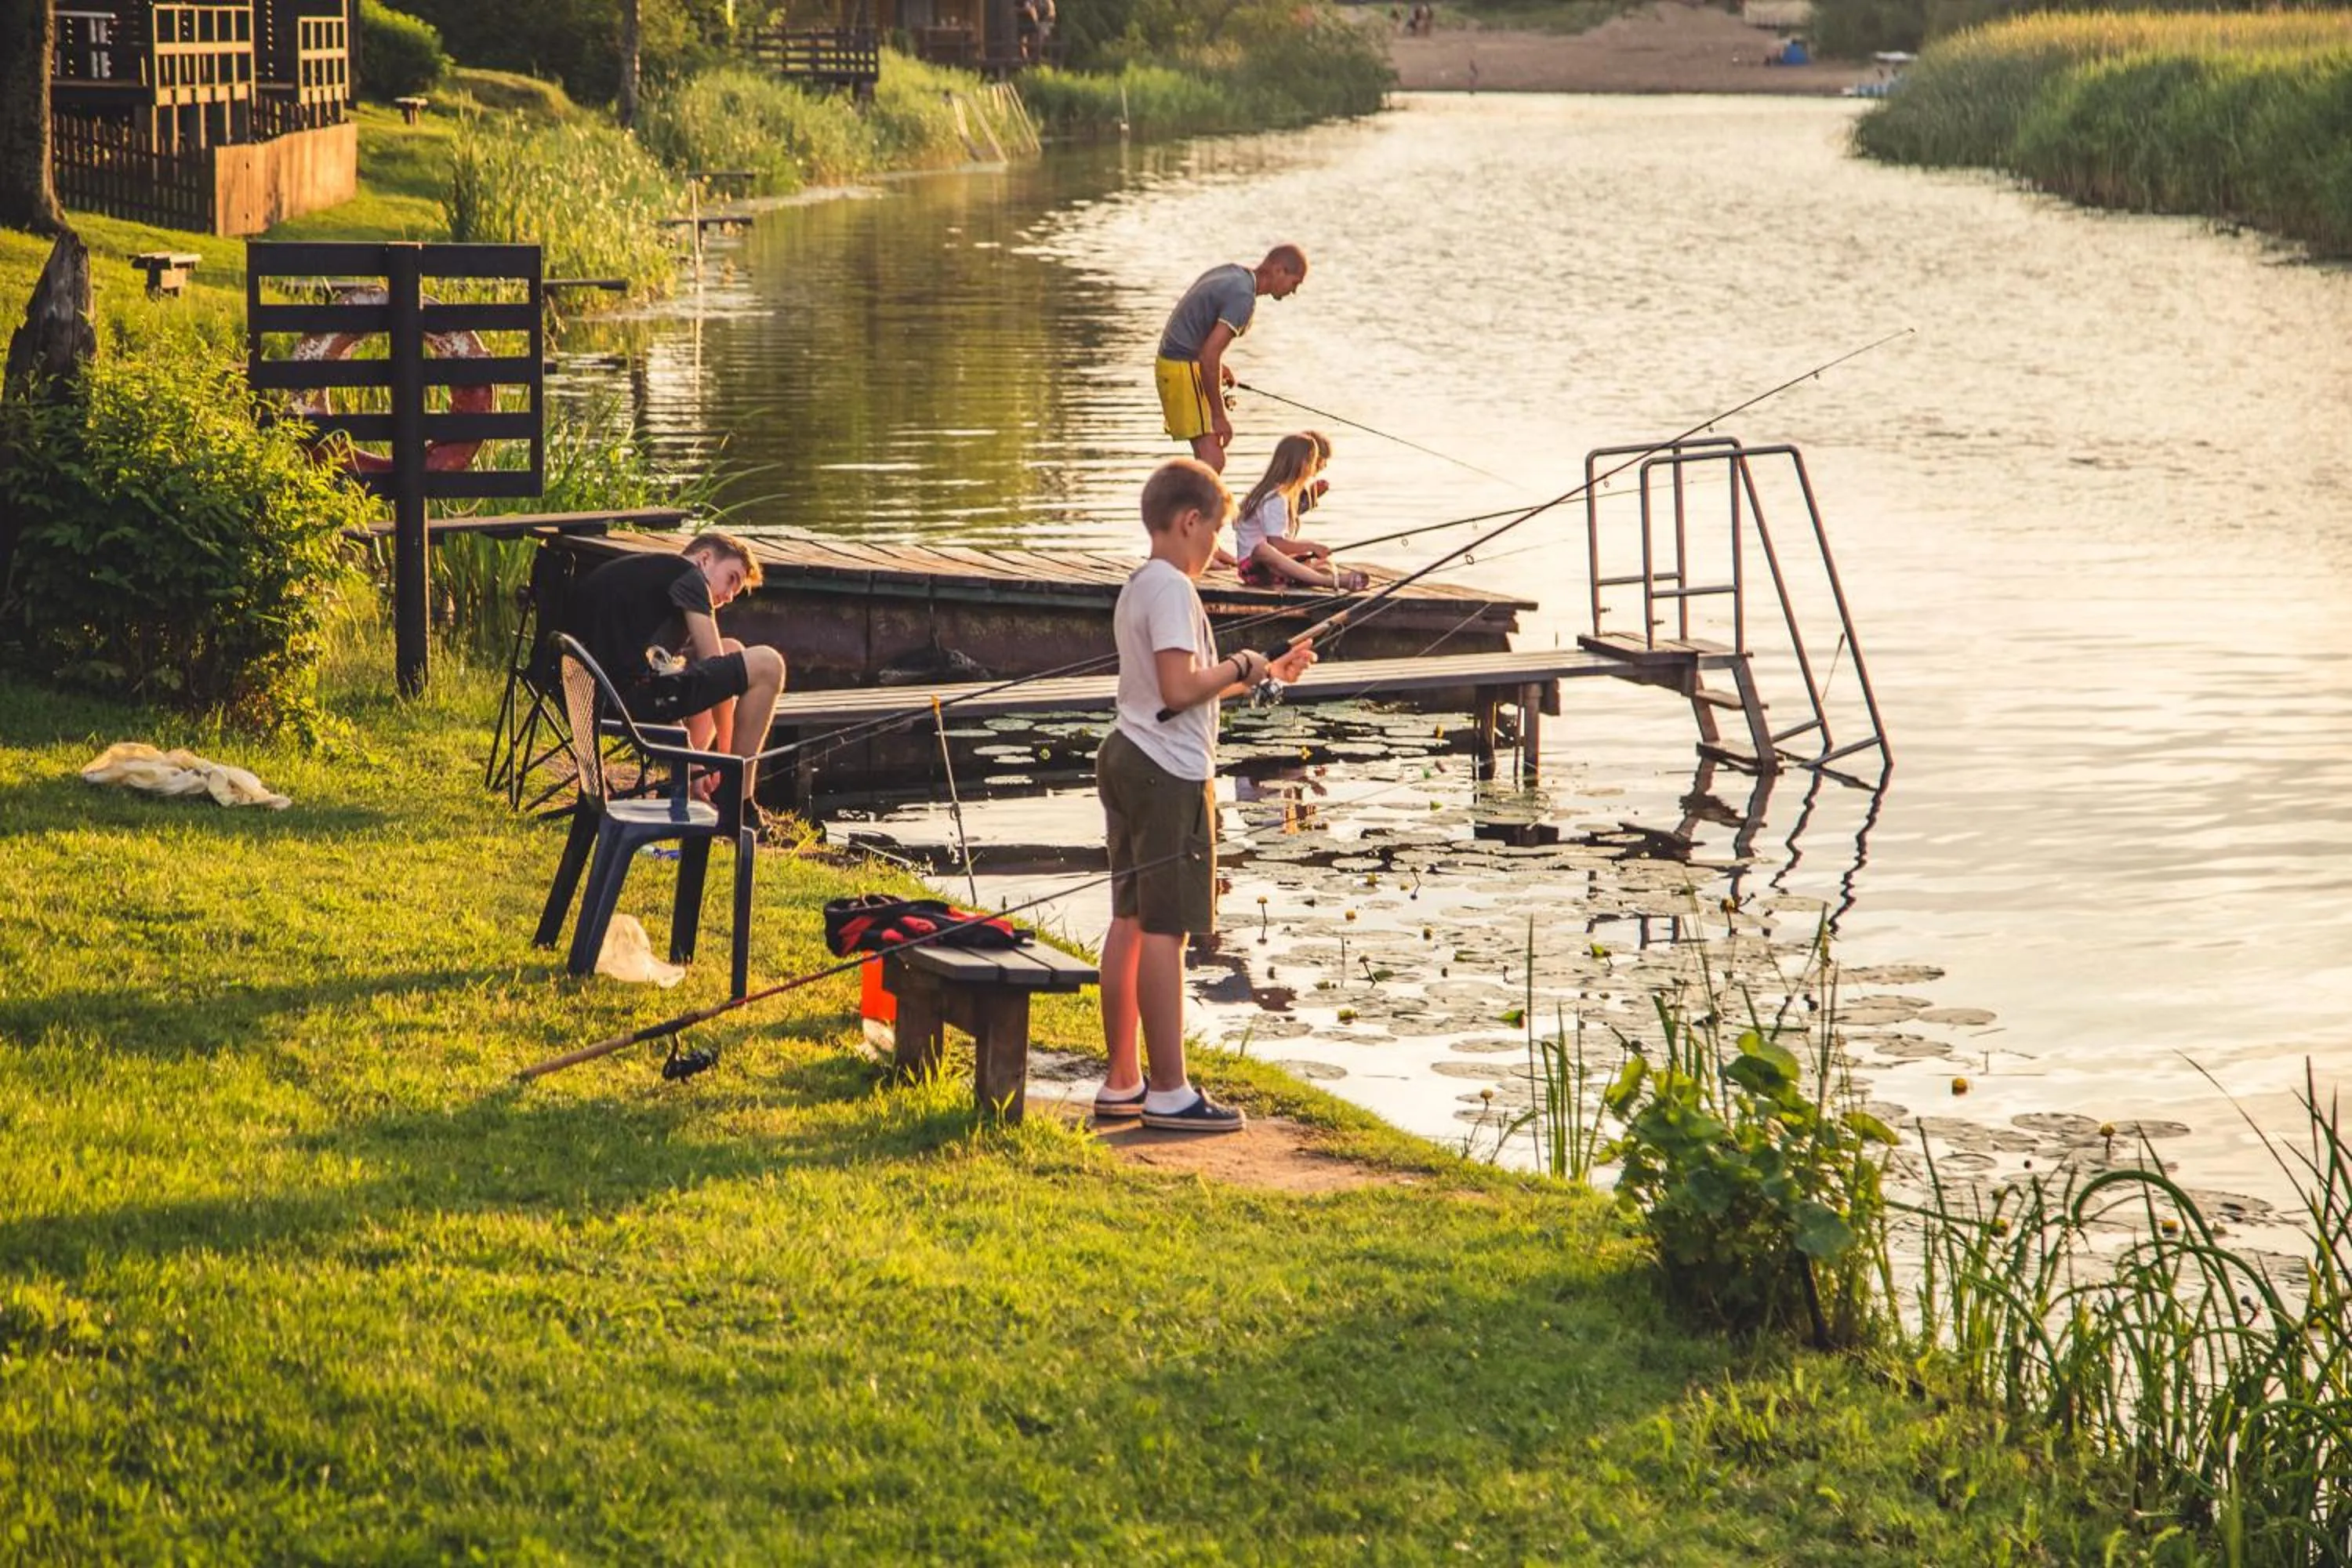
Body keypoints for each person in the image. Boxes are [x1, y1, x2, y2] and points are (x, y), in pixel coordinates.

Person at [1094, 459, 1317, 1132]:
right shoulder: (1171, 592)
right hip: (1167, 773)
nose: (1218, 551)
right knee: (1166, 929)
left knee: (1131, 921)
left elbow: (1185, 685)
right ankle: (1168, 1089)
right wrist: (1240, 663)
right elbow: (1178, 688)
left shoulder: (1142, 585)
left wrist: (1265, 673)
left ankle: (1123, 1079)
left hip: (1132, 753)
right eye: (1214, 534)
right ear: (1188, 522)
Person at [564, 532, 786, 810]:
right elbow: (713, 665)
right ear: (704, 559)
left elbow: (679, 670)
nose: (729, 596)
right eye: (732, 579)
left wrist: (692, 762)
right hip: (620, 701)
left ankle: (686, 781)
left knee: (732, 648)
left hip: (587, 690)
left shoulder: (653, 573)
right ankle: (738, 799)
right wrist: (725, 759)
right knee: (768, 664)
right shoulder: (688, 577)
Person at [1153, 245, 1308, 474]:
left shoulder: (1235, 274)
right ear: (1279, 270)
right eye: (1295, 283)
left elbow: (1198, 331)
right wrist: (1219, 416)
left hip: (1177, 363)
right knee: (1212, 461)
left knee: (1209, 461)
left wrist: (1216, 367)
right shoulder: (1243, 297)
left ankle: (1190, 507)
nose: (1293, 291)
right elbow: (1209, 355)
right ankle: (1185, 508)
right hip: (1181, 367)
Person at [1232, 431, 1366, 590]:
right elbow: (1276, 544)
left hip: (1272, 565)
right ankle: (1330, 582)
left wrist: (1313, 550)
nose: (1317, 467)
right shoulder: (1275, 498)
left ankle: (1306, 576)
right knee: (1262, 549)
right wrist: (1310, 546)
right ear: (1302, 464)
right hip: (1255, 568)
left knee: (1326, 563)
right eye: (1313, 461)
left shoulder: (1276, 494)